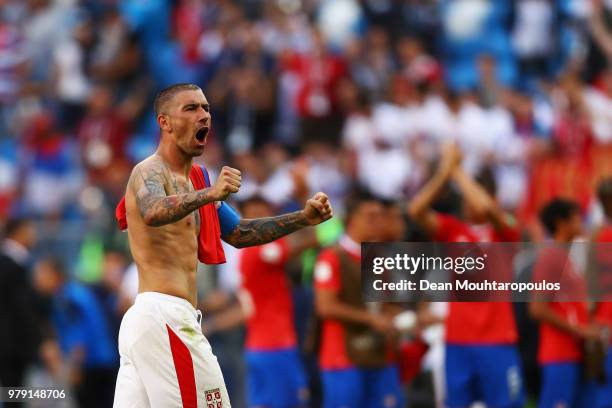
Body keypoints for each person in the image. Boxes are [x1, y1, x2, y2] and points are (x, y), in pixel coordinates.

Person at [113, 83, 333, 407]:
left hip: (153, 322)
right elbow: (152, 211)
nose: (203, 115)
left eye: (206, 109)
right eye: (191, 108)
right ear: (165, 122)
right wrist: (210, 194)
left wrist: (303, 218)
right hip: (164, 316)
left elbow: (240, 234)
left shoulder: (197, 179)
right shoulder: (148, 171)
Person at [407, 143, 524, 408]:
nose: (469, 203)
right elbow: (416, 210)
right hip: (458, 340)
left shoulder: (506, 232)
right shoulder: (453, 230)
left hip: (497, 340)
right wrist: (444, 171)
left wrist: (458, 171)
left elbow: (487, 210)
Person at [314, 189, 403, 408]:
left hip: (380, 355)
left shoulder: (382, 258)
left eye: (381, 216)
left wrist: (399, 319)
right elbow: (325, 307)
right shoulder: (332, 257)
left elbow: (387, 305)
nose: (379, 223)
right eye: (371, 217)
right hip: (342, 358)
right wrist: (371, 319)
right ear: (352, 220)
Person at [237, 195, 318, 408]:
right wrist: (306, 209)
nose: (262, 223)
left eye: (265, 216)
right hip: (275, 346)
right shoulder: (261, 250)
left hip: (259, 346)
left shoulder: (248, 254)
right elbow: (312, 241)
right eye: (254, 216)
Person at [529, 198, 602, 408]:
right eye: (576, 218)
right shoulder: (551, 257)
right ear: (561, 223)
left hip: (575, 354)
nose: (582, 223)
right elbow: (537, 308)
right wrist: (579, 329)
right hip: (559, 355)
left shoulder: (566, 258)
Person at [33, 257, 118, 408]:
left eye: (41, 273)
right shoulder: (69, 293)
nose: (37, 279)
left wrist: (75, 366)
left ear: (55, 275)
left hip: (94, 365)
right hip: (99, 362)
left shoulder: (69, 298)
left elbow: (80, 336)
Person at [0, 217, 41, 391]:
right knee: (14, 395)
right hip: (12, 347)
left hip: (11, 346)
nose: (34, 236)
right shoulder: (13, 266)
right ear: (18, 232)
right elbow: (22, 310)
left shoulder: (17, 264)